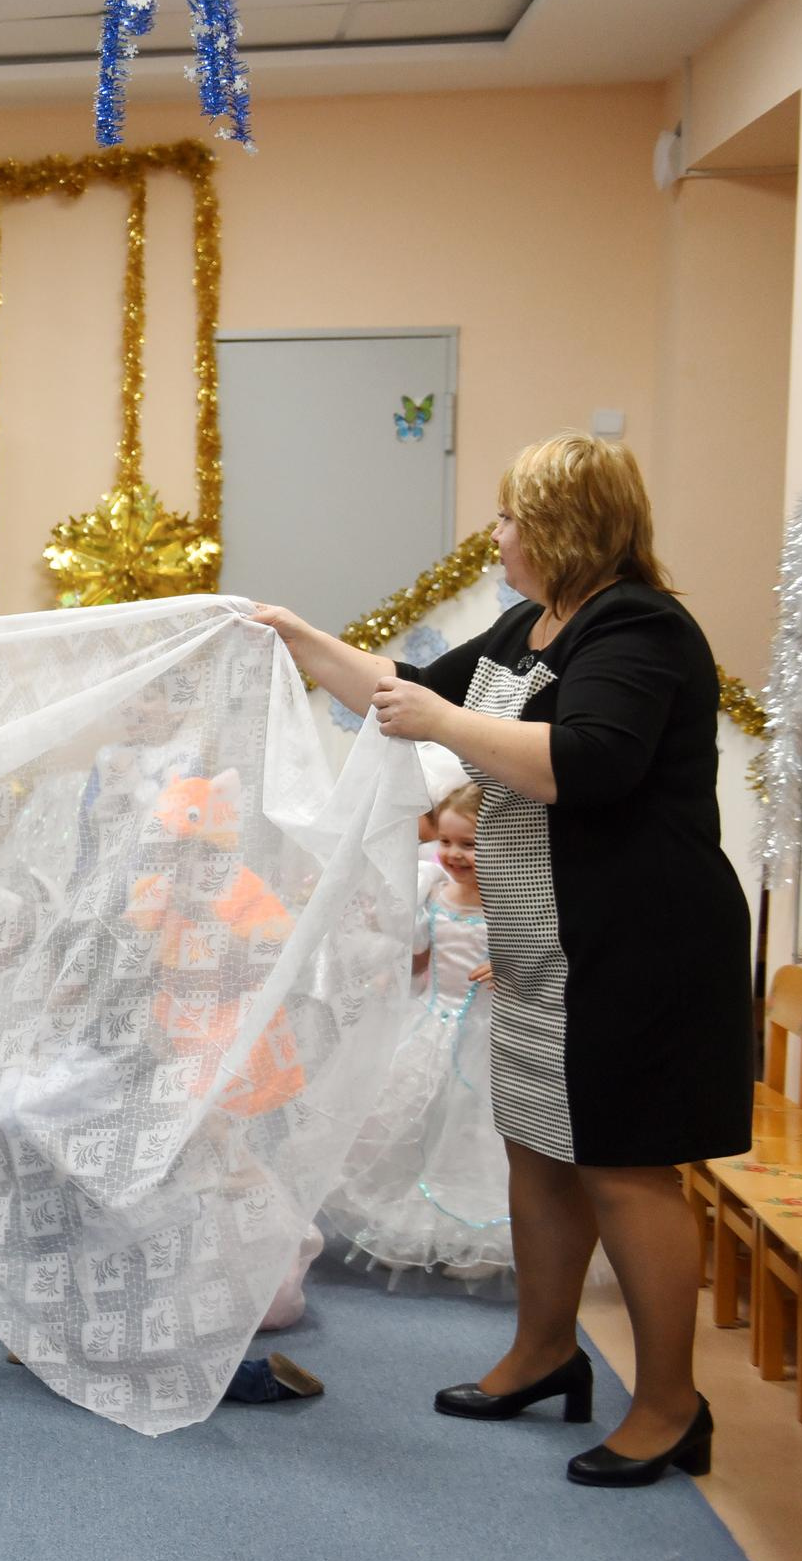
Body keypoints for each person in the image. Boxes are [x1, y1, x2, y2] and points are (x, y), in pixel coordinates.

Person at [257, 431, 749, 1487]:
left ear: (565, 524)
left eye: (511, 517)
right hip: (549, 939)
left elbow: (592, 762)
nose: (498, 535)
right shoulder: (533, 624)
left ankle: (670, 1404)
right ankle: (544, 1349)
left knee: (623, 1167)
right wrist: (294, 637)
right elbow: (398, 688)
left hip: (637, 944)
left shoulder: (640, 627)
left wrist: (439, 719)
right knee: (539, 1144)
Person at [324, 782, 513, 1280]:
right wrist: (387, 933)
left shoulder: (509, 904)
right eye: (447, 842)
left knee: (472, 1135)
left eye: (469, 844)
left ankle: (480, 1238)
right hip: (429, 1024)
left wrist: (506, 965)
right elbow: (419, 965)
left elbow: (545, 961)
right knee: (415, 1125)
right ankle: (407, 1227)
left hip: (484, 1039)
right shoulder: (432, 891)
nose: (454, 854)